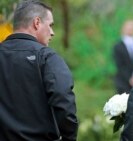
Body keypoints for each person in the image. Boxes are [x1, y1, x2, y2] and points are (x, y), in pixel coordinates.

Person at [0, 1, 78, 141]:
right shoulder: (47, 57)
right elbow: (63, 100)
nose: (52, 32)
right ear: (37, 22)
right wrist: (69, 137)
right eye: (50, 25)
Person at [113, 20, 133, 94]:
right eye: (128, 28)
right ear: (123, 29)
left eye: (132, 28)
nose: (130, 30)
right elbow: (120, 65)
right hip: (124, 82)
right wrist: (130, 78)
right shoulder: (118, 46)